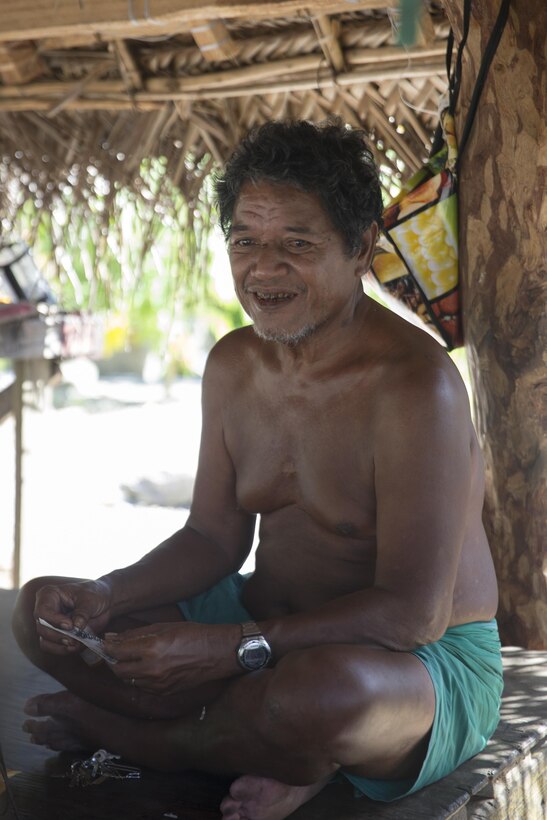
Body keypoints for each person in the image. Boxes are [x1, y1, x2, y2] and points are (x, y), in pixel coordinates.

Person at [12, 120, 503, 820]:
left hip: (412, 663)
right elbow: (213, 539)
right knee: (44, 615)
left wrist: (225, 651)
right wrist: (109, 593)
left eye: (296, 246)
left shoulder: (413, 385)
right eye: (245, 242)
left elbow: (412, 615)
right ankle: (275, 748)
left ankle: (165, 741)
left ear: (360, 247)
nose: (263, 270)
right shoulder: (234, 363)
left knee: (325, 697)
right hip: (262, 623)